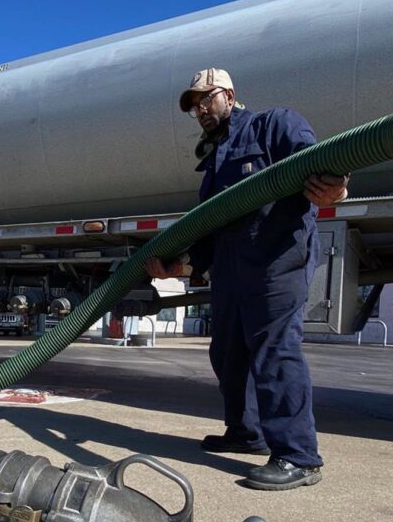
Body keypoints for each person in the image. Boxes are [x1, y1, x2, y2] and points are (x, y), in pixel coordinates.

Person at [147, 68, 348, 491]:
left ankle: (297, 456)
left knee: (275, 353)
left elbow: (323, 167)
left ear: (230, 94)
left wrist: (338, 189)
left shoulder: (274, 125)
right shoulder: (214, 161)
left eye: (207, 99)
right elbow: (211, 228)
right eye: (194, 105)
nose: (200, 109)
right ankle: (246, 433)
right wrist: (181, 266)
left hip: (277, 262)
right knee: (228, 353)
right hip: (231, 270)